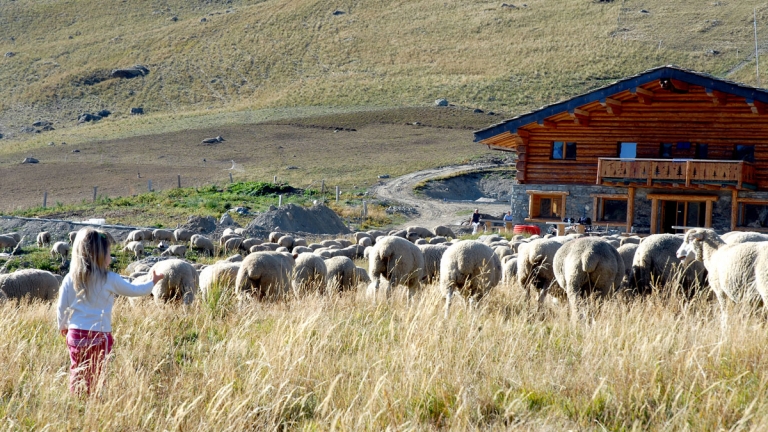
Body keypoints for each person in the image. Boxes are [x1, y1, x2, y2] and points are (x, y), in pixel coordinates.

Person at [56, 227, 164, 396]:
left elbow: (62, 306)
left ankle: (77, 401)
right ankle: (96, 401)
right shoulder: (110, 279)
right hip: (99, 336)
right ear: (99, 255)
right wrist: (153, 282)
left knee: (77, 371)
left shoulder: (71, 278)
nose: (110, 257)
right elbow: (136, 290)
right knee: (98, 372)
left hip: (75, 334)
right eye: (108, 253)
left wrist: (63, 325)